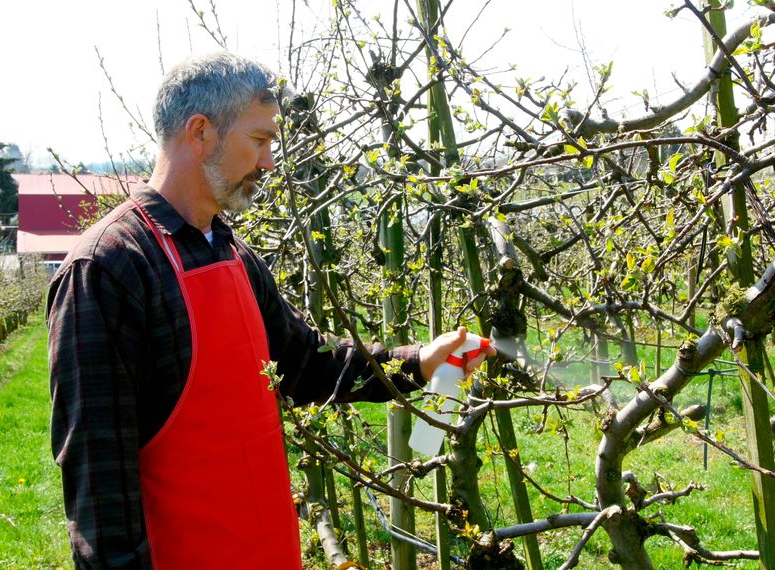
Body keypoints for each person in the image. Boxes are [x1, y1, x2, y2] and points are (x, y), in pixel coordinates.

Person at [47, 52, 493, 569]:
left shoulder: (232, 253)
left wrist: (418, 362)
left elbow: (307, 365)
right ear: (200, 134)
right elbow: (99, 492)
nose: (270, 163)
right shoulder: (109, 270)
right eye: (259, 141)